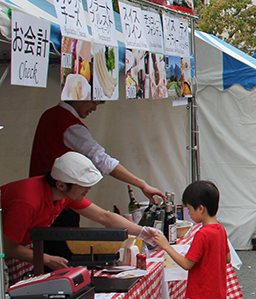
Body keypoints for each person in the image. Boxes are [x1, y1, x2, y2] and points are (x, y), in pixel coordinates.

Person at [0, 152, 157, 299]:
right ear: (61, 184)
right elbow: (7, 246)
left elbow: (104, 216)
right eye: (83, 186)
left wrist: (143, 232)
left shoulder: (62, 195)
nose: (87, 190)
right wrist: (47, 259)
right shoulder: (27, 200)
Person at [29, 100, 164, 258]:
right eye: (94, 102)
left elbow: (104, 216)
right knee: (60, 254)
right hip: (57, 204)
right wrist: (141, 184)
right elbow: (103, 161)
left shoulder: (49, 115)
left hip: (53, 199)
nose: (94, 108)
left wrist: (142, 232)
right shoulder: (69, 125)